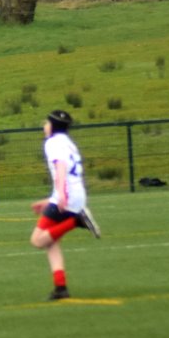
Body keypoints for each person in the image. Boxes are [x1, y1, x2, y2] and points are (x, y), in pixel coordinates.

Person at [30, 109, 101, 301]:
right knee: (51, 242)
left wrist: (61, 194)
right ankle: (60, 288)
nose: (44, 126)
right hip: (75, 196)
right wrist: (50, 200)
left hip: (67, 197)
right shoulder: (68, 143)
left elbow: (60, 166)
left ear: (52, 126)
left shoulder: (52, 142)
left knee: (37, 240)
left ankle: (76, 221)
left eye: (46, 123)